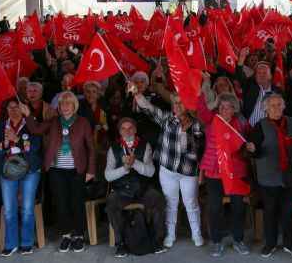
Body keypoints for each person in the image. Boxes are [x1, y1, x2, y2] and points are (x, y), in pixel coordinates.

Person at [133, 87, 205, 248]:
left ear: (187, 105)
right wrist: (137, 94)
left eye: (181, 103)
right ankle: (170, 234)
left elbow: (197, 152)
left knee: (190, 203)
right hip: (168, 169)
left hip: (188, 171)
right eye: (175, 103)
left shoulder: (196, 125)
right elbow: (149, 109)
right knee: (170, 202)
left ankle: (196, 233)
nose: (177, 106)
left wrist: (187, 134)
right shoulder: (167, 119)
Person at [25, 91, 95, 253]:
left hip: (77, 170)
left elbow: (91, 148)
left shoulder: (83, 122)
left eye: (69, 103)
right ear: (59, 107)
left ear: (74, 106)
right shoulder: (53, 122)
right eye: (62, 103)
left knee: (76, 202)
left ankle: (78, 236)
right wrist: (28, 115)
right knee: (61, 204)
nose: (65, 106)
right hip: (56, 170)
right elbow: (35, 130)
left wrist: (91, 170)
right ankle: (66, 235)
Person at [249, 93, 292, 258]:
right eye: (272, 105)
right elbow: (254, 151)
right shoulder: (260, 126)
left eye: (279, 105)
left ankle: (289, 243)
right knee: (270, 212)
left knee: (289, 212)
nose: (276, 108)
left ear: (284, 106)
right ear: (266, 108)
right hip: (269, 178)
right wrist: (252, 149)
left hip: (291, 176)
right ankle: (270, 244)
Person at [197, 91, 252, 257]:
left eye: (228, 107)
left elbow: (250, 140)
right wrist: (200, 91)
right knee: (214, 207)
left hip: (235, 171)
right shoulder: (212, 120)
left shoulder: (241, 123)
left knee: (238, 206)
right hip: (214, 171)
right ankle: (217, 241)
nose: (225, 110)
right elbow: (201, 110)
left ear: (234, 109)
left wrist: (250, 145)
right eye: (222, 107)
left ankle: (238, 240)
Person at [104, 117, 166, 257]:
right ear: (120, 132)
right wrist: (125, 168)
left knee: (158, 199)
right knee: (111, 203)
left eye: (130, 128)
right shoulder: (113, 148)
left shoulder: (145, 146)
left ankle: (157, 241)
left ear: (136, 130)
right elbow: (108, 176)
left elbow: (150, 172)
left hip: (142, 189)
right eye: (124, 129)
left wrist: (135, 163)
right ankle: (120, 244)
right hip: (121, 191)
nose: (127, 131)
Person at [0, 100, 42, 256]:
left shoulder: (31, 123)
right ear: (6, 110)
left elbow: (34, 148)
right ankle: (10, 244)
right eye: (10, 107)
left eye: (17, 107)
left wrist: (17, 139)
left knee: (27, 208)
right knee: (9, 210)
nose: (14, 110)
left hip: (30, 170)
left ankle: (26, 243)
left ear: (23, 108)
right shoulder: (1, 126)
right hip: (8, 170)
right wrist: (5, 144)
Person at [236, 52, 283, 126]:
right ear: (255, 76)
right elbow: (239, 76)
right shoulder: (249, 86)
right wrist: (241, 59)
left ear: (270, 76)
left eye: (264, 73)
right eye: (259, 73)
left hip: (270, 130)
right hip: (250, 129)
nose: (261, 75)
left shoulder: (278, 92)